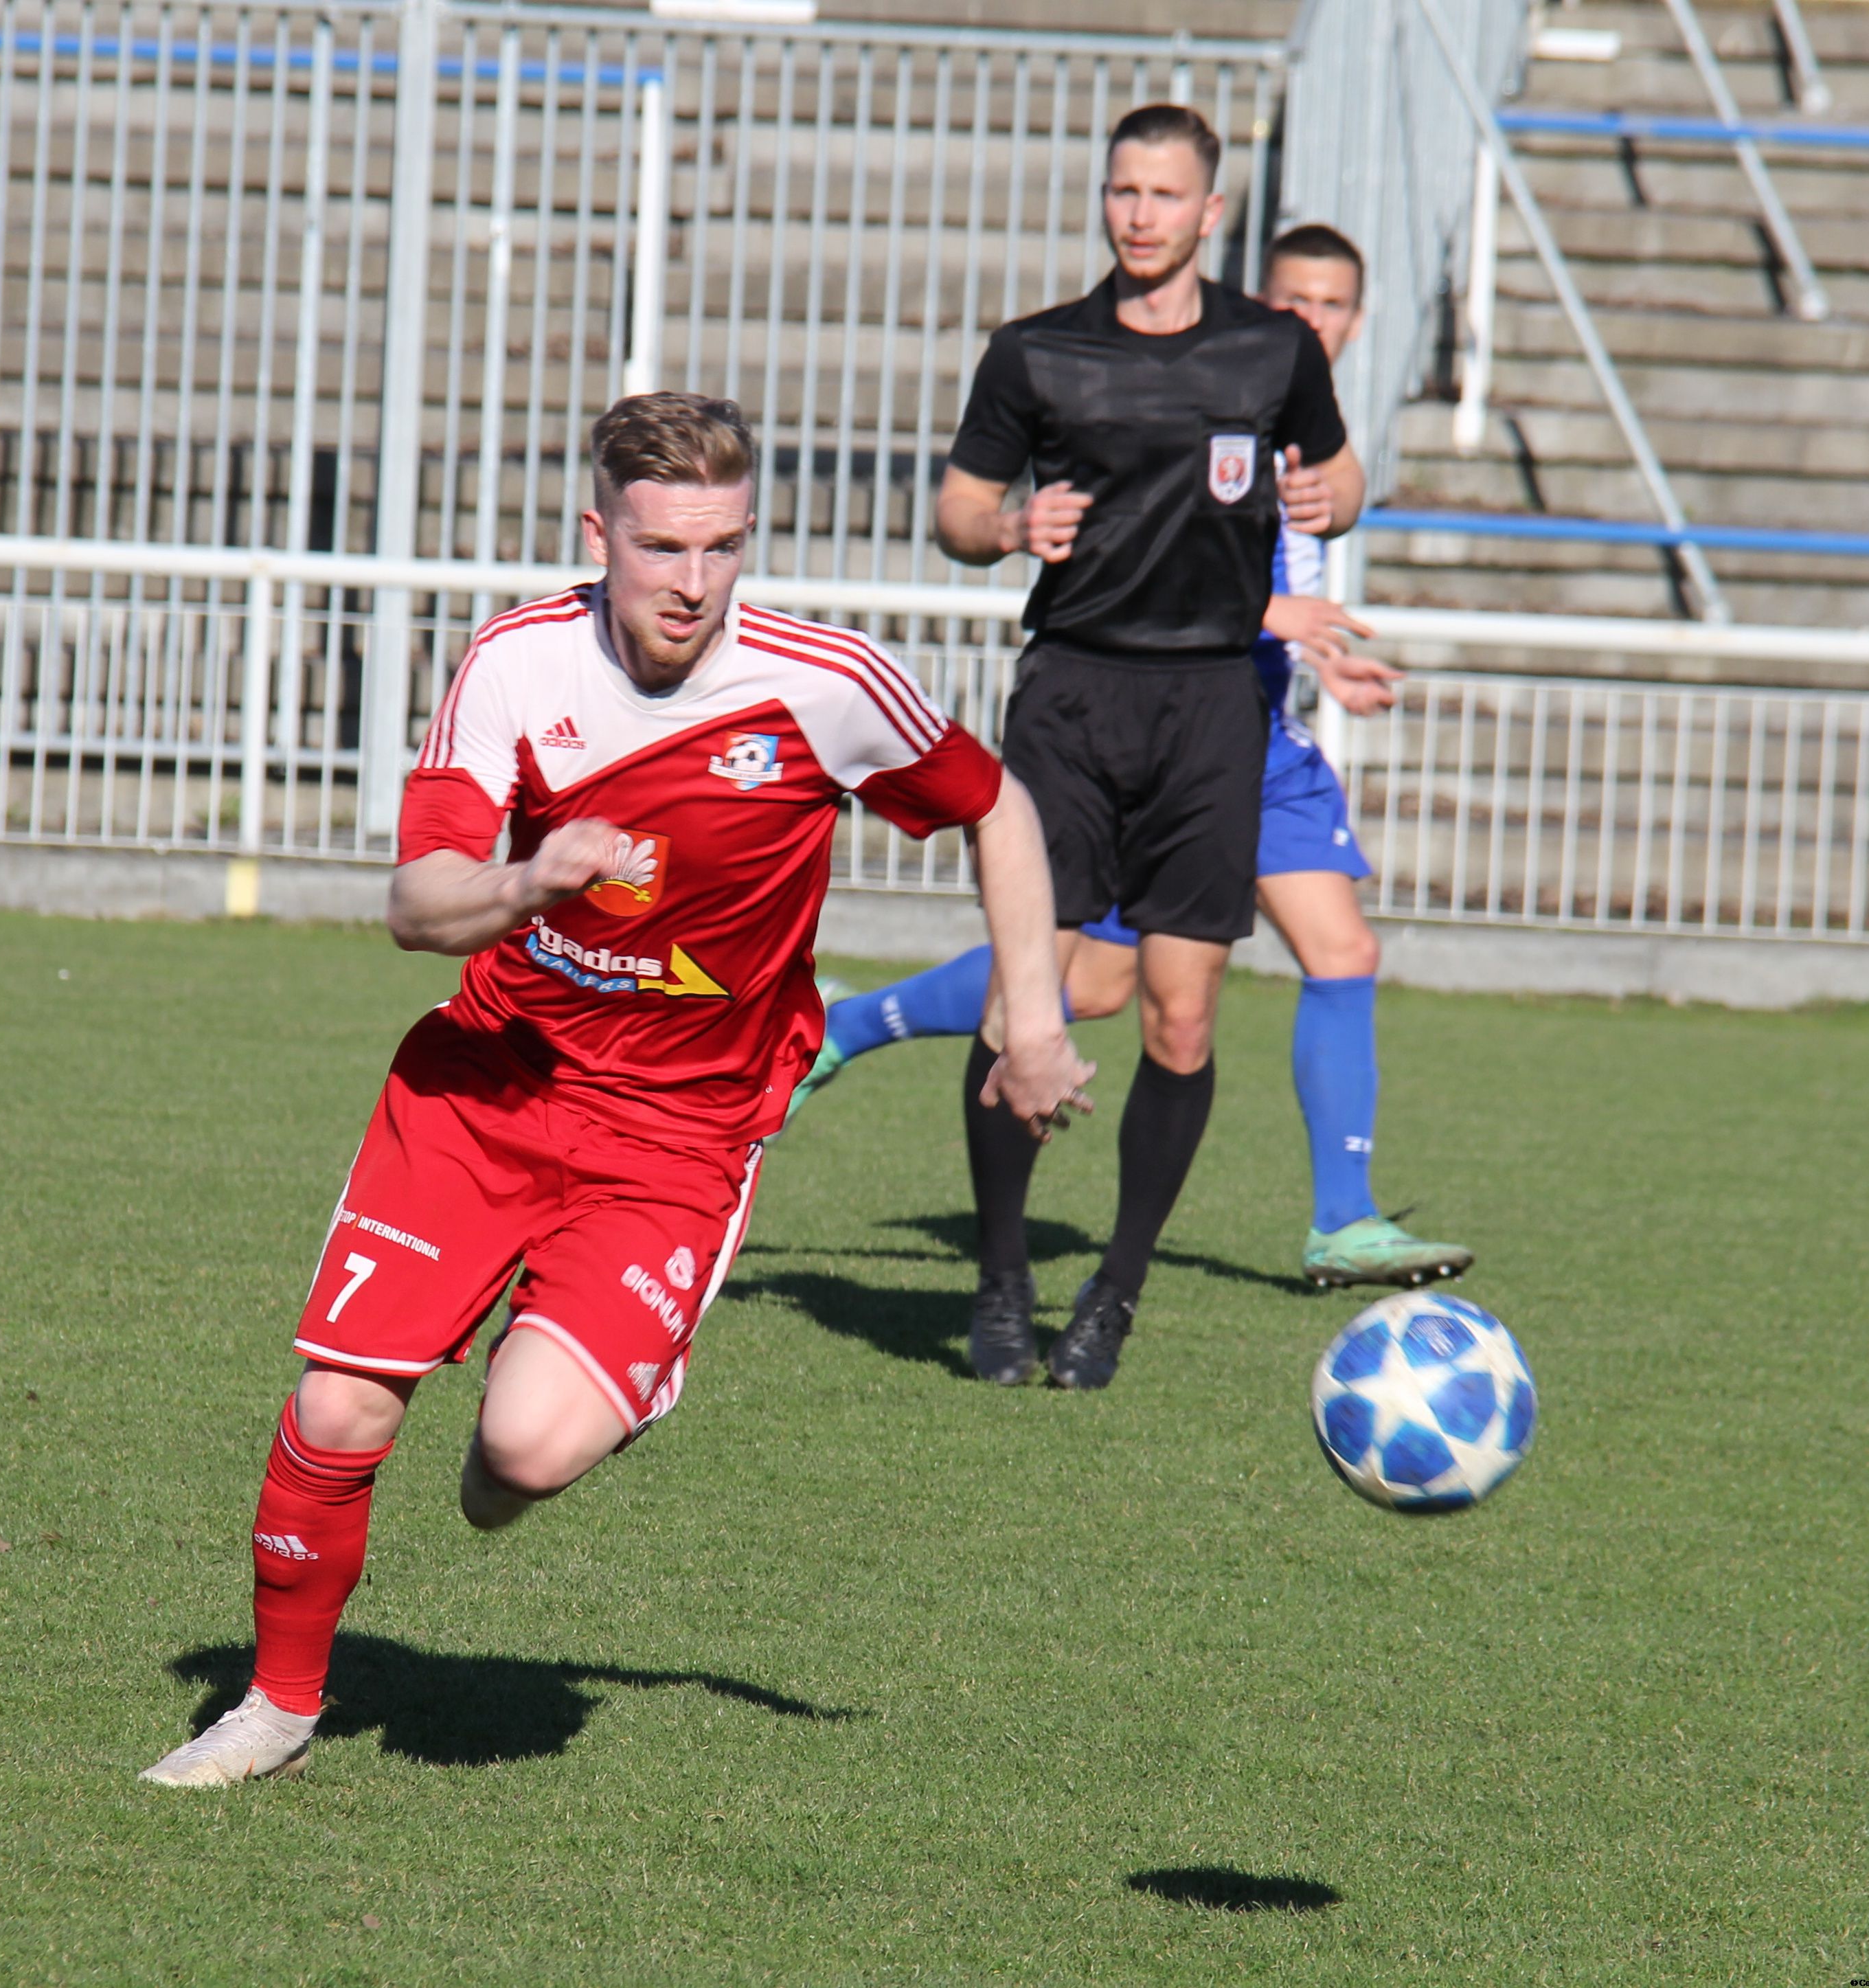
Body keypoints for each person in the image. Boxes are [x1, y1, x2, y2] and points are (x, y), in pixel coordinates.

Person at [140, 394, 1090, 1786]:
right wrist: (531, 878)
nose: (694, 582)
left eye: (722, 546)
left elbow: (993, 804)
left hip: (680, 1135)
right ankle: (276, 1709)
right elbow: (416, 903)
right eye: (661, 548)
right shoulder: (520, 663)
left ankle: (571, 1387)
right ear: (601, 535)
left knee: (518, 1461)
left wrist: (1032, 1013)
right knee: (342, 1405)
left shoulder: (824, 684)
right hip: (490, 1087)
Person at [795, 225, 1473, 1298]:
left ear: (1357, 319)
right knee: (1089, 985)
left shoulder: (1299, 420)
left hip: (1258, 733)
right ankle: (845, 1025)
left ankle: (1343, 1220)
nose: (1312, 320)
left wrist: (1313, 652)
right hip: (1166, 731)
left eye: (1333, 305)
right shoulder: (1198, 388)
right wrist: (1274, 614)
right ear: (1256, 299)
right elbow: (1145, 560)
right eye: (1294, 299)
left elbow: (1292, 546)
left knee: (1341, 949)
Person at [929, 106, 1365, 1394]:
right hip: (1071, 694)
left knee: (1180, 1016)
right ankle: (1001, 1278)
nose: (1140, 214)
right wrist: (1011, 528)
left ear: (1209, 213)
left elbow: (1342, 478)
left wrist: (1328, 496)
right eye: (1124, 190)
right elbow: (958, 509)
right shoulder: (1038, 352)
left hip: (1213, 704)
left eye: (1165, 195)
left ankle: (1112, 1293)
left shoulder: (1272, 349)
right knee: (1028, 995)